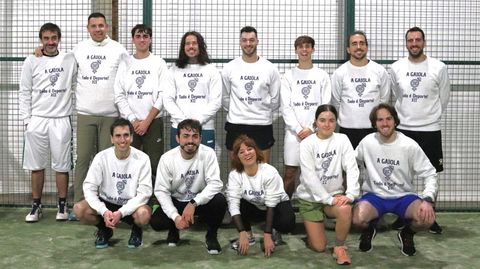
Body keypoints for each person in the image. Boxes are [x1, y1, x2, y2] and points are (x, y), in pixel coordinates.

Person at [353, 103, 438, 256]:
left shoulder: (409, 145)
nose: (385, 123)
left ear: (395, 120)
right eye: (380, 120)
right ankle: (368, 229)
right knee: (357, 219)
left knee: (427, 219)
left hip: (404, 197)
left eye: (388, 119)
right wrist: (350, 189)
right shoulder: (367, 142)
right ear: (374, 123)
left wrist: (427, 198)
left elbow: (430, 172)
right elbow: (351, 163)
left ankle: (407, 233)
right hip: (375, 196)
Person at [389, 26, 450, 234]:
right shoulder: (396, 67)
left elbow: (443, 98)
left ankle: (430, 218)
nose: (414, 44)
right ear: (406, 43)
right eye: (410, 40)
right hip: (404, 128)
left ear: (424, 42)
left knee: (431, 173)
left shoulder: (438, 67)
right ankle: (402, 215)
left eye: (417, 40)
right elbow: (396, 95)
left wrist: (428, 117)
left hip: (430, 130)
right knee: (402, 174)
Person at [72, 12, 129, 217]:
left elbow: (127, 78)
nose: (97, 29)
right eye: (93, 26)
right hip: (85, 113)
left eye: (101, 25)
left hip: (110, 115)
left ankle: (106, 206)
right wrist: (40, 51)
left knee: (108, 161)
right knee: (83, 158)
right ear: (88, 28)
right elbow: (61, 64)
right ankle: (79, 203)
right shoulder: (79, 48)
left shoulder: (118, 49)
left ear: (107, 27)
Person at [20, 23, 77, 222]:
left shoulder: (70, 58)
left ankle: (62, 205)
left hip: (61, 120)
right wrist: (27, 120)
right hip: (38, 120)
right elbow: (25, 91)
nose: (50, 42)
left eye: (54, 38)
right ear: (41, 40)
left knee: (62, 166)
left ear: (59, 38)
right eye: (46, 38)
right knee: (36, 165)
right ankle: (36, 205)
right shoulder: (31, 61)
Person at [150, 119, 227, 255]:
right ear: (177, 138)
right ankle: (174, 229)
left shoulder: (208, 153)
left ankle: (211, 236)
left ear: (200, 138)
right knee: (156, 222)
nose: (190, 141)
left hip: (198, 202)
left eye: (195, 136)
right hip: (177, 201)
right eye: (185, 136)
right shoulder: (167, 158)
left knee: (220, 201)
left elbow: (216, 183)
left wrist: (194, 203)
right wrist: (175, 217)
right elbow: (161, 191)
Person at [73, 118, 152, 249]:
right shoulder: (101, 157)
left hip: (131, 205)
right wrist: (103, 211)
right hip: (107, 204)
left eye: (126, 135)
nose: (122, 140)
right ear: (111, 139)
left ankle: (136, 230)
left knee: (143, 215)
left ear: (132, 137)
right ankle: (104, 230)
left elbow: (145, 193)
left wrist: (121, 212)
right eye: (118, 136)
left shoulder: (143, 159)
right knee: (79, 209)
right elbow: (89, 188)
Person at [296, 104, 360, 265]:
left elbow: (351, 167)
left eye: (331, 120)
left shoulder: (342, 139)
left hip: (334, 196)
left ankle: (339, 248)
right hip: (310, 199)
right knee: (319, 247)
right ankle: (313, 232)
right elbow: (309, 176)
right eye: (322, 120)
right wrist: (327, 199)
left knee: (345, 209)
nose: (327, 124)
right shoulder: (306, 144)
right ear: (315, 122)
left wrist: (351, 194)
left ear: (336, 122)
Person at [114, 24, 169, 182]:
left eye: (145, 36)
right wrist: (133, 119)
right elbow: (119, 94)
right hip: (131, 123)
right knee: (129, 163)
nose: (142, 39)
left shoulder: (159, 63)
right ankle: (131, 201)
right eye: (138, 36)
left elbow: (163, 95)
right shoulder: (125, 63)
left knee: (154, 163)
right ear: (133, 40)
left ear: (150, 39)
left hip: (153, 122)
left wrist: (146, 121)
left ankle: (154, 203)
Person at [226, 135, 296, 257]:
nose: (247, 154)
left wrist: (267, 235)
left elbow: (271, 203)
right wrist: (241, 232)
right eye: (241, 152)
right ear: (237, 157)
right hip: (255, 207)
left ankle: (274, 230)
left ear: (256, 150)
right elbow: (233, 204)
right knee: (235, 203)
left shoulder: (269, 172)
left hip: (275, 206)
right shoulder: (234, 175)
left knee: (287, 222)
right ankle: (249, 236)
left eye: (249, 149)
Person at [280, 35, 332, 198]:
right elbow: (285, 106)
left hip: (316, 133)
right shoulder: (288, 76)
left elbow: (325, 105)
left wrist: (311, 128)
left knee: (318, 172)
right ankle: (284, 207)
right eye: (300, 47)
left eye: (307, 46)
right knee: (290, 173)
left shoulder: (322, 75)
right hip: (293, 134)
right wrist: (298, 129)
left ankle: (319, 205)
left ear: (313, 49)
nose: (304, 50)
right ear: (296, 50)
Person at [222, 26, 281, 163]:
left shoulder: (270, 68)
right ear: (240, 42)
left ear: (257, 41)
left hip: (262, 124)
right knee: (237, 169)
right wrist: (239, 111)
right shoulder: (229, 67)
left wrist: (260, 111)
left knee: (263, 168)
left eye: (251, 40)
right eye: (244, 40)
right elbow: (225, 97)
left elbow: (276, 99)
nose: (248, 44)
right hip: (236, 124)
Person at [331, 31, 391, 149]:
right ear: (348, 49)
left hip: (374, 129)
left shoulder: (379, 71)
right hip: (347, 130)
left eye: (361, 43)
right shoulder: (340, 73)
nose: (358, 47)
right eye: (354, 44)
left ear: (367, 47)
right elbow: (336, 102)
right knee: (349, 166)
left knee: (372, 167)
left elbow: (384, 100)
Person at [163, 31, 222, 150]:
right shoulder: (173, 70)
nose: (191, 46)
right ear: (183, 47)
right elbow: (168, 99)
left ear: (200, 46)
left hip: (205, 128)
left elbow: (216, 101)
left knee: (204, 166)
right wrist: (183, 122)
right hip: (178, 127)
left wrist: (198, 121)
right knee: (178, 166)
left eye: (194, 43)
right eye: (187, 43)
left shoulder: (211, 70)